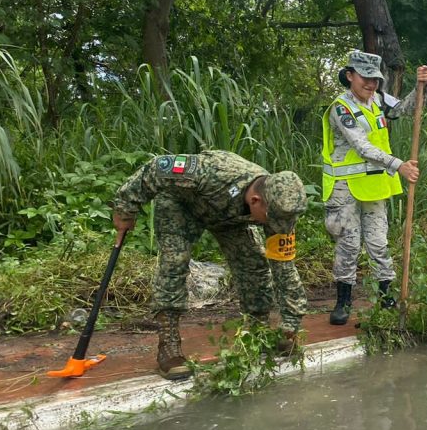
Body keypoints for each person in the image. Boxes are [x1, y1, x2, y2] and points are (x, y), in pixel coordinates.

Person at [112, 151, 309, 380]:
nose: (276, 227)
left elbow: (284, 267)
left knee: (254, 264)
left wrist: (290, 323)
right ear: (255, 201)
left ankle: (258, 332)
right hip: (181, 206)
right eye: (271, 220)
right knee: (174, 262)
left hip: (229, 219)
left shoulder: (279, 207)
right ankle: (169, 345)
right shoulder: (211, 172)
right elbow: (158, 167)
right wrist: (125, 209)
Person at [322, 50, 427, 325]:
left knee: (378, 242)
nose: (371, 84)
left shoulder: (379, 100)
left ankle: (385, 297)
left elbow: (406, 108)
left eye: (375, 80)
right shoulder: (341, 107)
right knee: (348, 245)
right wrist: (399, 165)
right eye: (365, 78)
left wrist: (421, 86)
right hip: (345, 187)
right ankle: (343, 302)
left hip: (373, 186)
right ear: (350, 76)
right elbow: (361, 146)